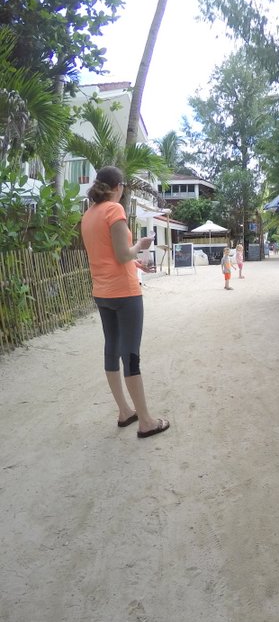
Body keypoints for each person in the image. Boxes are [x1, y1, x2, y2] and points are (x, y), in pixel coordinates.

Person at [80, 166, 170, 438]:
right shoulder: (114, 210)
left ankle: (124, 411)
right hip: (124, 294)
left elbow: (108, 255)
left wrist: (136, 264)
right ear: (118, 187)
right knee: (131, 355)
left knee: (112, 349)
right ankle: (146, 421)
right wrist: (140, 246)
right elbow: (121, 254)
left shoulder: (88, 215)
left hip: (103, 292)